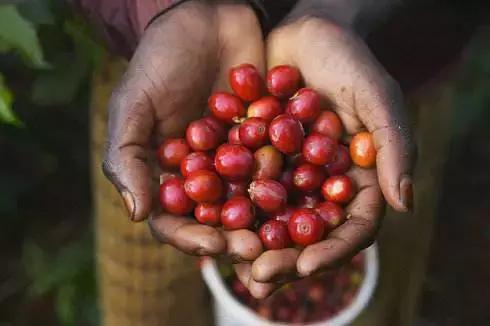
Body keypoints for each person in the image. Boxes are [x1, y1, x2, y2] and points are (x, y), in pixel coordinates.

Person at [78, 2, 487, 323]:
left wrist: (338, 11)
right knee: (145, 294)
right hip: (168, 82)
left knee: (384, 272)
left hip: (380, 74)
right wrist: (164, 7)